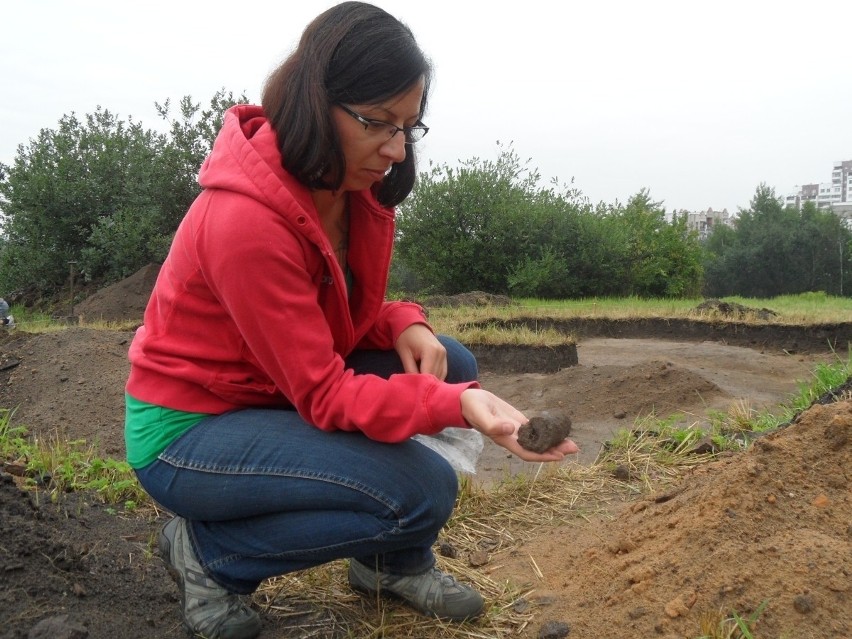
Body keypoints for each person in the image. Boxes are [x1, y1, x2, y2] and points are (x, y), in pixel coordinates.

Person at [124, 3, 578, 638]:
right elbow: (323, 390)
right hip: (191, 430)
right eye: (378, 123)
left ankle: (388, 566)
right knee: (420, 488)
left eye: (410, 127)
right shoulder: (246, 222)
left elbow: (334, 313)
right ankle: (208, 557)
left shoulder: (349, 188)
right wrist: (459, 408)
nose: (395, 149)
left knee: (454, 362)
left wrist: (404, 322)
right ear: (316, 103)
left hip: (265, 388)